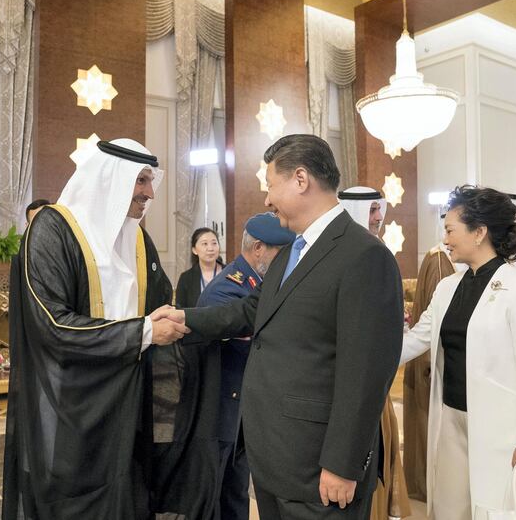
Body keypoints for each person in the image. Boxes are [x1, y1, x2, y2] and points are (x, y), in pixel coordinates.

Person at [159, 134, 404, 519]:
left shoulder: (365, 256)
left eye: (271, 185)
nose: (268, 199)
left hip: (319, 465)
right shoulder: (293, 250)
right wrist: (186, 318)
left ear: (301, 179)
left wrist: (342, 462)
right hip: (276, 456)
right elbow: (255, 309)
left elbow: (367, 373)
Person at [3, 139, 221, 519]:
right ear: (110, 179)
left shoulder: (137, 238)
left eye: (151, 182)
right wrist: (144, 333)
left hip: (129, 406)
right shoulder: (52, 231)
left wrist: (213, 322)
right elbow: (52, 325)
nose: (149, 193)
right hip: (71, 408)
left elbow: (160, 309)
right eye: (141, 181)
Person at [401, 185, 516, 520]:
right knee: (451, 508)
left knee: (496, 508)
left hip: (501, 427)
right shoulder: (447, 287)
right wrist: (366, 352)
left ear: (480, 232)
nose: (445, 239)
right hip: (451, 417)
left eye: (451, 230)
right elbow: (417, 340)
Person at [196, 212, 295, 520]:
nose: (286, 262)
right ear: (258, 250)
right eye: (281, 253)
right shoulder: (227, 289)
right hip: (221, 414)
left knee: (235, 494)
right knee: (214, 496)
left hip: (242, 414)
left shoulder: (255, 283)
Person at [339, 186, 410, 520]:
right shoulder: (350, 254)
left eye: (379, 210)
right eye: (371, 212)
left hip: (377, 384)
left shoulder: (377, 250)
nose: (379, 219)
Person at [403, 212, 457, 502]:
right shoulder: (444, 275)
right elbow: (422, 335)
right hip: (451, 399)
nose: (446, 239)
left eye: (452, 231)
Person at [175, 228, 224, 308]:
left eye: (214, 243)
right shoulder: (186, 278)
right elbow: (180, 310)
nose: (210, 248)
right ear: (194, 250)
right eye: (205, 244)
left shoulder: (230, 273)